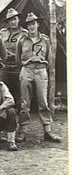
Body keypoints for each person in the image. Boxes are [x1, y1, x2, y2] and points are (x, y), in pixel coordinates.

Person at [16, 12, 61, 143]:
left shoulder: (45, 40)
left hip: (41, 70)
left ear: (38, 24)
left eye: (33, 24)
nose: (31, 27)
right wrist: (26, 68)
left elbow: (49, 59)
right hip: (27, 70)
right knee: (25, 102)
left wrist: (41, 69)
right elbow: (18, 59)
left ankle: (47, 131)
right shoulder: (22, 40)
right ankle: (23, 131)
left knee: (43, 101)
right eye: (29, 24)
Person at [0, 8, 28, 143]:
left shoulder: (25, 34)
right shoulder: (2, 34)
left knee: (21, 99)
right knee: (4, 98)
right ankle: (5, 129)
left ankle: (22, 130)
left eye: (15, 19)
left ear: (18, 20)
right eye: (10, 20)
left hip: (19, 69)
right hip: (5, 69)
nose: (13, 22)